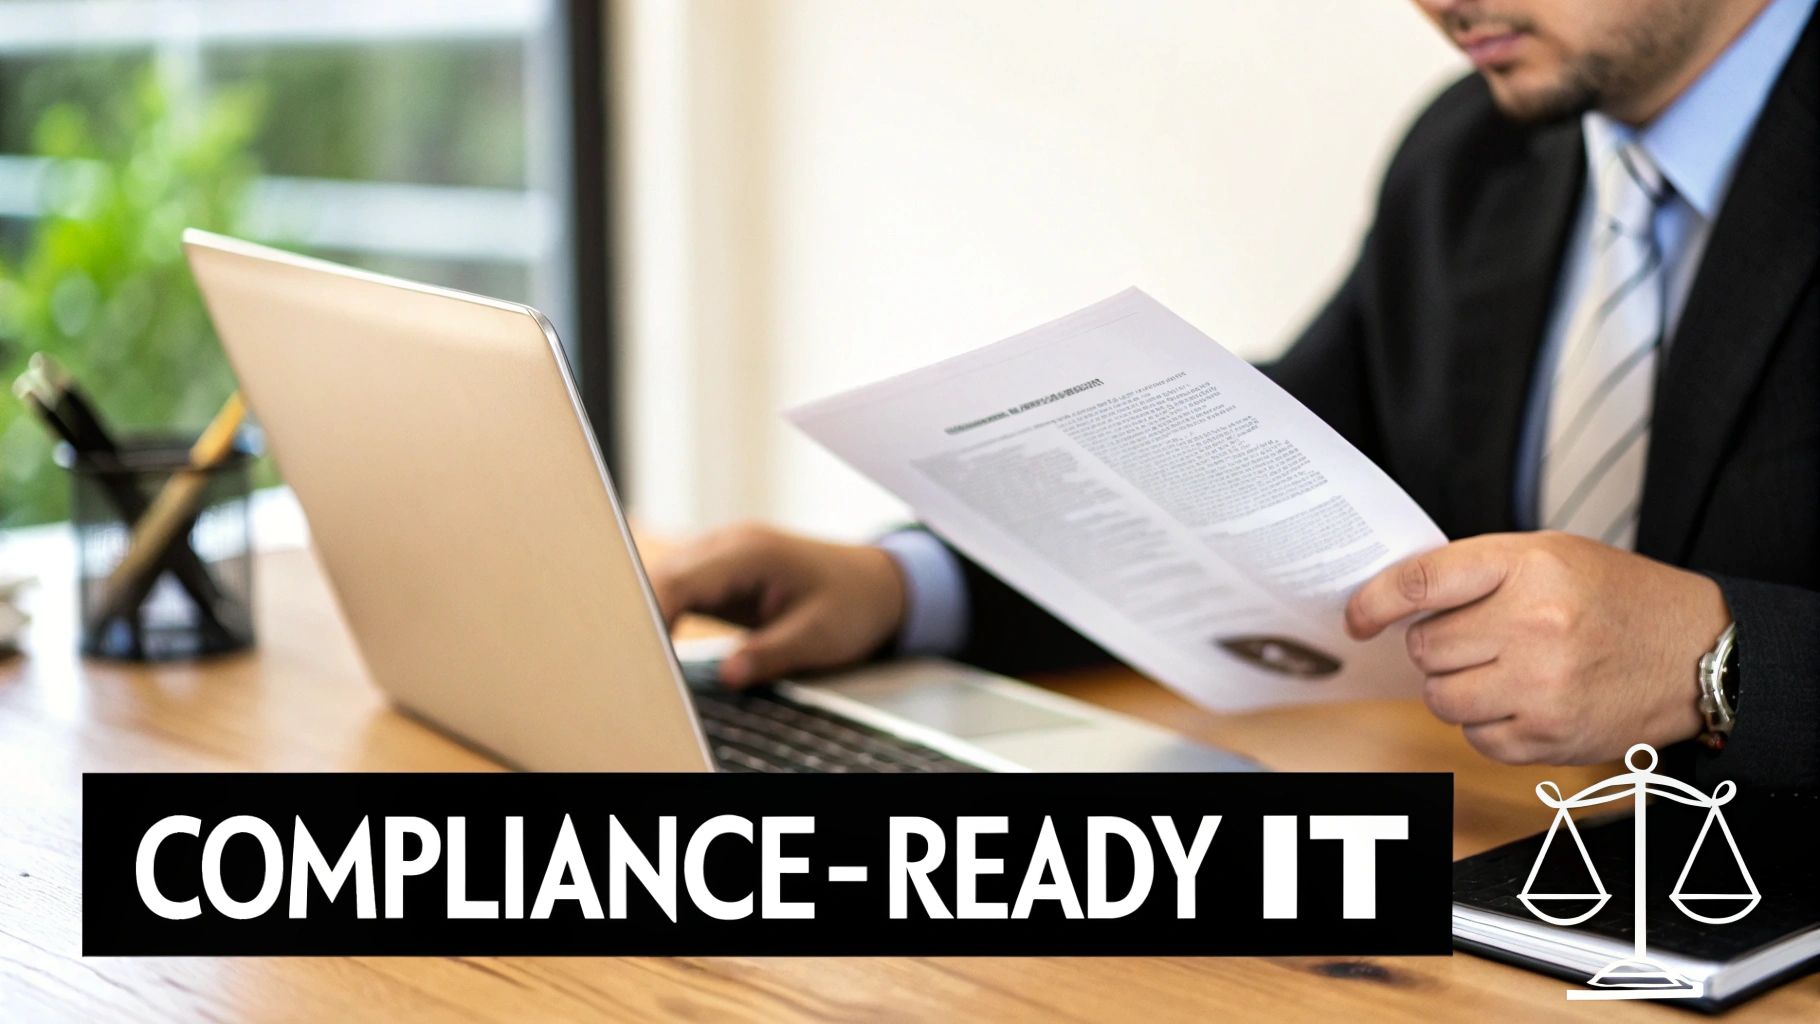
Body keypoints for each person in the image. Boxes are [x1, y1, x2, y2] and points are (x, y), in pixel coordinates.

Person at [649, 0, 1820, 788]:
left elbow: (1705, 647)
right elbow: (1261, 491)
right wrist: (902, 584)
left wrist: (1716, 658)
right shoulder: (1470, 158)